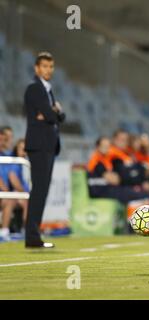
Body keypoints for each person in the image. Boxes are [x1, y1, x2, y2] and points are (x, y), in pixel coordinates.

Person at [23, 52, 65, 249]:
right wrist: (53, 111)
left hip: (47, 146)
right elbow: (51, 115)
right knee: (39, 191)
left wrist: (53, 113)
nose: (48, 70)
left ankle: (34, 235)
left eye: (51, 66)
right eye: (45, 66)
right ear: (36, 68)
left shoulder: (47, 90)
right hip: (39, 145)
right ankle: (32, 236)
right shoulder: (34, 88)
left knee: (42, 190)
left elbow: (55, 116)